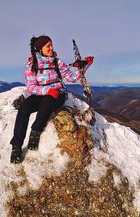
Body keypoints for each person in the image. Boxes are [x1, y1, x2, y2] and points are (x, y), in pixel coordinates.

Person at [10, 35, 93, 164]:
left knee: (47, 101)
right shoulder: (32, 64)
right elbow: (31, 87)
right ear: (40, 49)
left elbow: (71, 77)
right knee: (25, 107)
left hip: (58, 94)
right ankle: (16, 146)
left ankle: (35, 132)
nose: (51, 48)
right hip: (41, 93)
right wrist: (47, 90)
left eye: (51, 45)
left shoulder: (57, 62)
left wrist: (85, 66)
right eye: (48, 46)